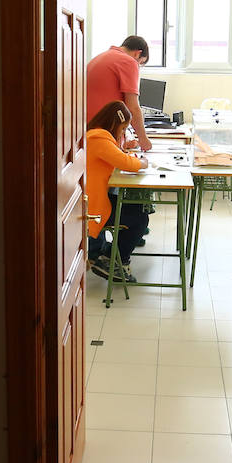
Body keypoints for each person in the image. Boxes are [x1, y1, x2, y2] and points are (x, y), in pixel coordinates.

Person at [85, 100, 151, 282]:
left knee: (136, 210)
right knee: (139, 218)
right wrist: (144, 162)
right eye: (123, 129)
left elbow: (114, 155)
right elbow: (127, 163)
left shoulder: (96, 134)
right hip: (92, 207)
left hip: (94, 199)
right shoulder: (98, 138)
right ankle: (113, 262)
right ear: (114, 124)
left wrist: (123, 148)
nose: (122, 133)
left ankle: (108, 255)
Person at [87, 35, 153, 152]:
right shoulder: (128, 62)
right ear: (137, 54)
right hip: (104, 132)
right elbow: (133, 107)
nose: (138, 66)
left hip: (88, 130)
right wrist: (143, 140)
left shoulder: (100, 57)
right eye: (140, 63)